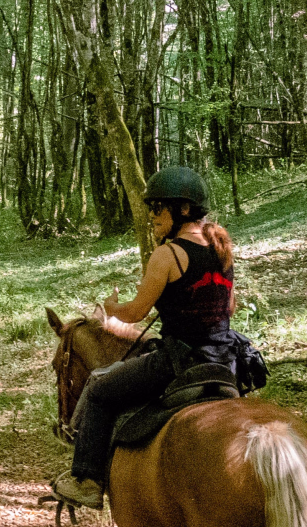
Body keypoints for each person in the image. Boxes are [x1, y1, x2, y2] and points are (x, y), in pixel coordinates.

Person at [52, 166, 243, 509]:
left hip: (178, 362)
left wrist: (112, 308)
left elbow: (136, 312)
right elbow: (230, 306)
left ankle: (87, 480)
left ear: (182, 210)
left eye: (158, 208)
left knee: (99, 390)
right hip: (226, 361)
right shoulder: (221, 247)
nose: (152, 216)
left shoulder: (168, 254)